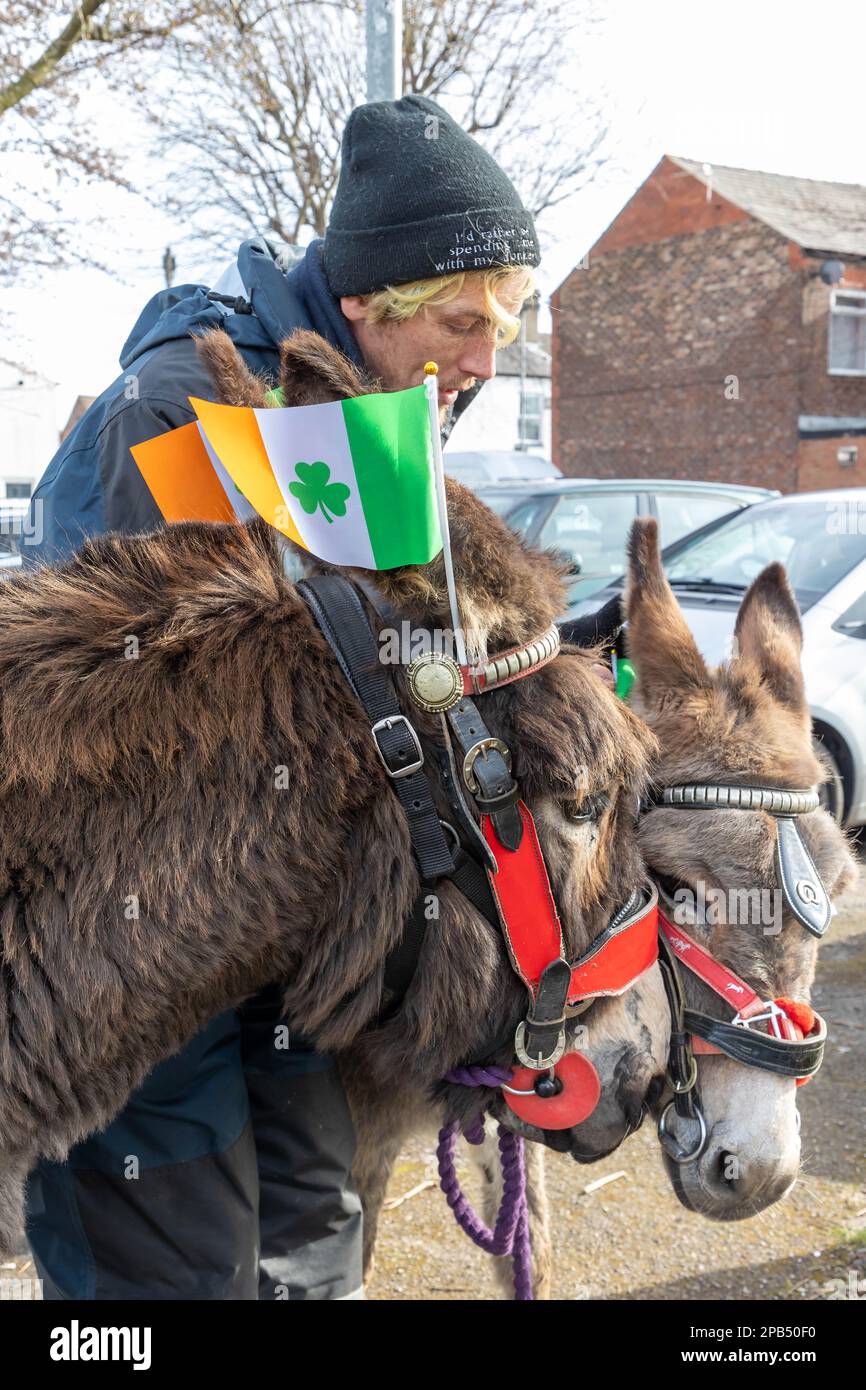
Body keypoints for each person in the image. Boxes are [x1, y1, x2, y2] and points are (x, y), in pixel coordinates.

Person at [23, 93, 543, 1300]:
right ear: (364, 300)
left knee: (315, 1250)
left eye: (501, 324)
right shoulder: (177, 412)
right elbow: (128, 733)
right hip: (141, 966)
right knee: (171, 1283)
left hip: (288, 957)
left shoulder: (373, 413)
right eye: (460, 322)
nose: (484, 358)